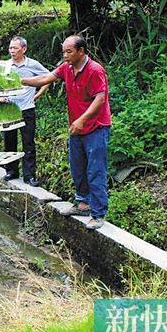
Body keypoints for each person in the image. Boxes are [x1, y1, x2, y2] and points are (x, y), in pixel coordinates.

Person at [21, 35, 112, 230]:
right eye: (63, 51)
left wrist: (82, 120)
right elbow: (45, 78)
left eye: (69, 52)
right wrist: (20, 81)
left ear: (81, 51)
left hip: (96, 128)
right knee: (77, 167)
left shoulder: (95, 70)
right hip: (76, 128)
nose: (65, 55)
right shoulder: (67, 68)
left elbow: (99, 100)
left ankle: (98, 213)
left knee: (95, 170)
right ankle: (83, 204)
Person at [0, 36, 49, 187]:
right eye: (10, 48)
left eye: (15, 48)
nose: (12, 51)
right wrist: (1, 95)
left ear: (24, 49)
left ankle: (29, 175)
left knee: (28, 142)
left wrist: (39, 93)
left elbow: (49, 77)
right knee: (9, 140)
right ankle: (11, 171)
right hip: (9, 108)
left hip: (27, 108)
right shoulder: (6, 66)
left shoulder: (32, 65)